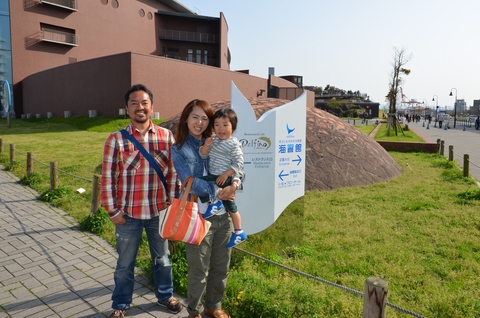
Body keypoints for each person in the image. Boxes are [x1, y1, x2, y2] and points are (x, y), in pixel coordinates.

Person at [101, 84, 182, 318]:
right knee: (125, 264)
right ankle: (121, 304)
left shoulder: (166, 136)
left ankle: (166, 296)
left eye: (144, 103)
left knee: (163, 259)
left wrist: (173, 201)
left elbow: (173, 172)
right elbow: (108, 178)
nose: (140, 107)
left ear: (152, 107)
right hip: (128, 215)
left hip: (159, 212)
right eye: (134, 103)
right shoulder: (115, 139)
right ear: (127, 109)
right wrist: (112, 210)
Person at [172, 99, 239, 318]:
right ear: (186, 119)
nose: (200, 122)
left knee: (221, 265)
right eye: (195, 117)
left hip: (223, 216)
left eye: (204, 118)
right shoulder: (179, 149)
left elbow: (237, 168)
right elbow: (188, 179)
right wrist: (220, 190)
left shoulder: (221, 142)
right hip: (197, 216)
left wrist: (235, 184)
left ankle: (214, 306)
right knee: (198, 268)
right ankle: (195, 311)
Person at [199, 108, 247, 248]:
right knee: (232, 207)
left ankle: (215, 202)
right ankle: (239, 231)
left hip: (222, 177)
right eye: (217, 125)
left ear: (233, 127)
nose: (221, 128)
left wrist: (226, 174)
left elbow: (239, 163)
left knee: (203, 183)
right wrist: (206, 146)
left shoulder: (233, 144)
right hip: (217, 176)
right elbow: (203, 156)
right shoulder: (214, 141)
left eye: (225, 125)